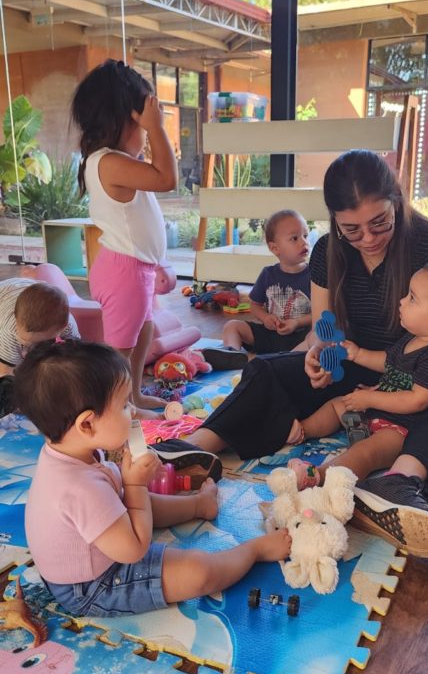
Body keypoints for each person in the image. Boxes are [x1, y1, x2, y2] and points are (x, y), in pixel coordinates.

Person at [185, 150, 428, 558]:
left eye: (380, 222)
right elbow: (325, 330)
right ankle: (196, 446)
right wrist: (318, 355)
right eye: (352, 229)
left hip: (418, 376)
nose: (369, 238)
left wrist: (415, 378)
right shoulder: (327, 251)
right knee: (267, 369)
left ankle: (404, 480)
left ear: (396, 200)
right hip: (356, 364)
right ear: (334, 220)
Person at [14, 340, 291, 619]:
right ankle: (254, 550)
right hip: (92, 586)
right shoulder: (79, 488)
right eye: (124, 405)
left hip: (100, 548)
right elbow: (134, 549)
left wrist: (131, 486)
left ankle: (198, 505)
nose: (133, 411)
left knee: (132, 500)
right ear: (87, 424)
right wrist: (135, 484)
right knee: (199, 572)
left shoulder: (71, 451)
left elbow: (120, 502)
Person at [288, 260, 428, 490]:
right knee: (336, 404)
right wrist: (358, 354)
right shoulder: (414, 338)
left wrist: (370, 399)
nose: (402, 301)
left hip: (401, 430)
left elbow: (417, 400)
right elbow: (388, 362)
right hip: (374, 413)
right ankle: (302, 430)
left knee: (365, 452)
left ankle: (318, 476)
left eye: (412, 298)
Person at [71, 58, 178, 412]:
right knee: (120, 348)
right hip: (124, 271)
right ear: (121, 121)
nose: (147, 134)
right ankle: (114, 407)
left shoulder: (112, 160)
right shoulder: (109, 162)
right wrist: (158, 129)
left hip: (135, 268)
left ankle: (132, 395)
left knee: (142, 331)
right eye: (143, 126)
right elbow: (167, 178)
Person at [202, 210, 311, 370]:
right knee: (233, 325)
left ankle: (285, 362)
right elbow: (255, 305)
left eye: (306, 236)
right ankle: (231, 353)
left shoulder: (315, 276)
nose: (304, 242)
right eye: (295, 238)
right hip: (270, 335)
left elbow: (321, 313)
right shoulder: (268, 274)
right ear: (275, 248)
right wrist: (266, 318)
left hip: (301, 337)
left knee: (318, 338)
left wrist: (296, 322)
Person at [0, 276, 79, 416]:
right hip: (4, 294)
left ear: (62, 328)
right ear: (16, 319)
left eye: (41, 342)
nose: (30, 347)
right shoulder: (10, 331)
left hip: (28, 291)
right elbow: (5, 373)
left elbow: (75, 359)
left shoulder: (69, 327)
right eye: (25, 341)